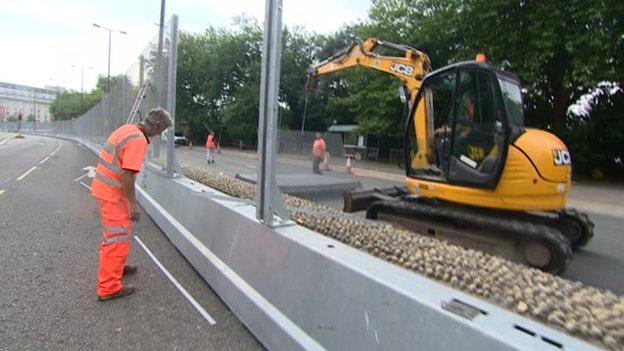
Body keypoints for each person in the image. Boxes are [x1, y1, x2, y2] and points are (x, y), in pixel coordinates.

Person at [91, 107, 172, 301]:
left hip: (104, 188)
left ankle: (116, 268)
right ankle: (109, 287)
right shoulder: (138, 140)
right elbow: (127, 174)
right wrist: (132, 204)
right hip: (113, 195)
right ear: (157, 126)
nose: (160, 135)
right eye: (161, 131)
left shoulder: (127, 129)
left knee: (119, 235)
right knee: (116, 238)